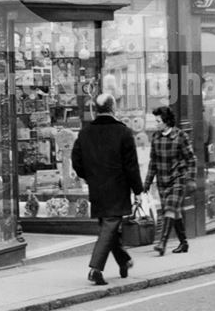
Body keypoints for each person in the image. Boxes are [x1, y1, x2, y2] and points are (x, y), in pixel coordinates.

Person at [71, 93, 143, 286]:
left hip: (96, 187)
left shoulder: (85, 132)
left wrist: (89, 176)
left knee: (107, 227)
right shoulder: (123, 132)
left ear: (96, 109)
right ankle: (95, 269)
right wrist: (138, 190)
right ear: (113, 108)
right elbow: (131, 166)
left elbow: (76, 160)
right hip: (117, 187)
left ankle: (124, 261)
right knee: (110, 226)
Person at [143, 105, 197, 255]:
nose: (156, 123)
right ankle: (184, 243)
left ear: (166, 121)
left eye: (158, 121)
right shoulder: (156, 137)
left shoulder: (181, 136)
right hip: (162, 181)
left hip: (177, 178)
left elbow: (191, 159)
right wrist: (147, 183)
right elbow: (153, 162)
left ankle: (162, 243)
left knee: (170, 209)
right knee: (175, 212)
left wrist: (191, 179)